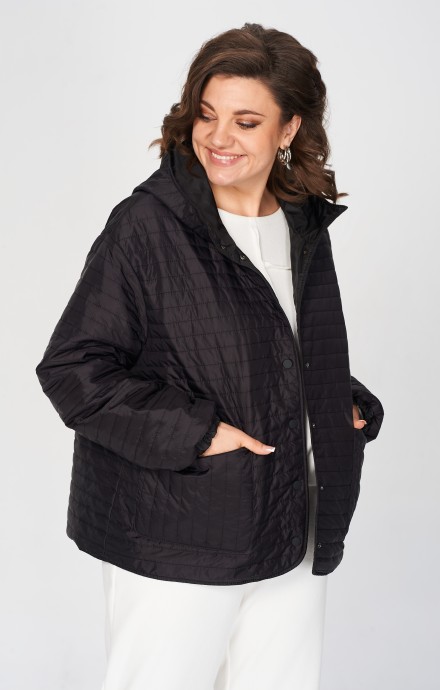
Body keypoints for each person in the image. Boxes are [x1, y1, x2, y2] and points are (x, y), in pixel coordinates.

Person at [35, 22, 384, 690]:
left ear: (288, 129)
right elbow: (74, 370)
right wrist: (198, 433)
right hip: (179, 526)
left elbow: (274, 348)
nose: (219, 137)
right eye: (207, 114)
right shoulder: (148, 226)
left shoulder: (302, 223)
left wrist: (338, 399)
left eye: (246, 122)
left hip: (295, 516)